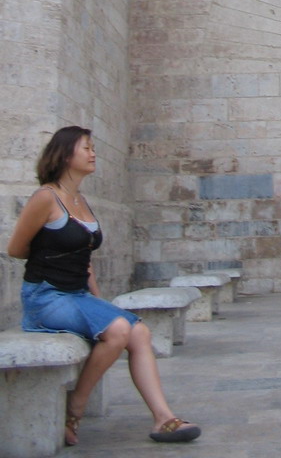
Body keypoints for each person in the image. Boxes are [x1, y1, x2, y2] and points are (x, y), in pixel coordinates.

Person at [6, 126, 201, 447]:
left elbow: (85, 261)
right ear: (66, 154)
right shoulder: (46, 197)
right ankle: (75, 410)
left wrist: (101, 305)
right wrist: (50, 257)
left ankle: (164, 418)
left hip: (77, 296)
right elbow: (16, 249)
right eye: (87, 148)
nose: (93, 153)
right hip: (44, 297)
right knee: (119, 330)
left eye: (93, 148)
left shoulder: (80, 199)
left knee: (138, 332)